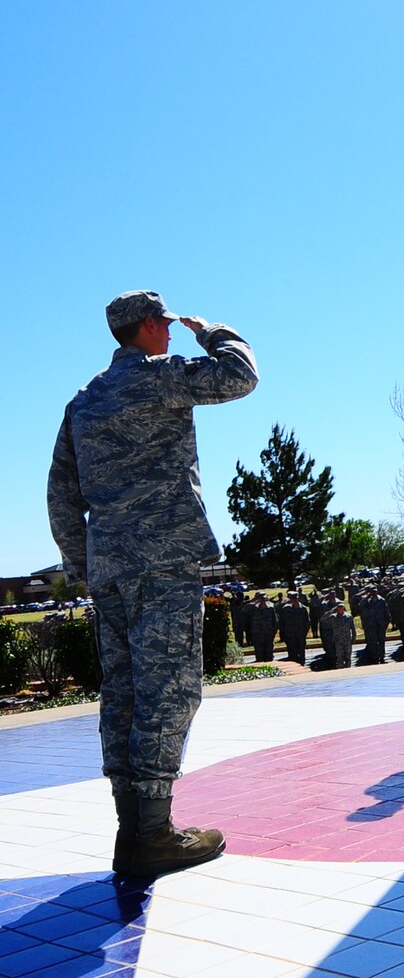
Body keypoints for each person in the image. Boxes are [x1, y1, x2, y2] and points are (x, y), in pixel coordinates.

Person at [47, 289, 258, 879]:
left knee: (124, 695)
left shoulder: (83, 402)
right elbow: (241, 376)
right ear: (148, 327)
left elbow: (61, 494)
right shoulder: (159, 377)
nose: (169, 332)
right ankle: (155, 834)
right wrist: (214, 332)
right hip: (162, 560)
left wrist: (82, 565)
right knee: (170, 691)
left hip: (109, 568)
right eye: (164, 324)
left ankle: (129, 829)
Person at [319, 598, 356, 669]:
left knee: (348, 658)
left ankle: (349, 671)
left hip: (347, 640)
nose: (340, 609)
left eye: (342, 607)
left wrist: (353, 638)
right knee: (340, 658)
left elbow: (353, 628)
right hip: (338, 641)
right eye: (339, 607)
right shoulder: (333, 617)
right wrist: (332, 611)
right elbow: (323, 619)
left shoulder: (348, 616)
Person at [279, 592, 309, 665]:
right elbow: (281, 621)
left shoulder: (303, 608)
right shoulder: (286, 608)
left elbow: (307, 622)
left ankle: (302, 665)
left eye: (295, 598)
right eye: (292, 598)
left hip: (300, 633)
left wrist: (304, 632)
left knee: (301, 651)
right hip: (290, 634)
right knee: (292, 652)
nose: (294, 600)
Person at [249, 592, 278, 661]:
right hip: (257, 633)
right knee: (259, 653)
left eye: (263, 598)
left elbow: (275, 621)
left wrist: (273, 632)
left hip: (268, 632)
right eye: (260, 598)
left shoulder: (271, 607)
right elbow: (243, 609)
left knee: (269, 653)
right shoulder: (253, 607)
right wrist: (252, 601)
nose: (262, 600)